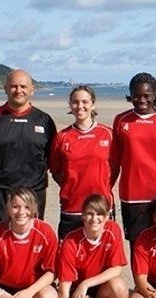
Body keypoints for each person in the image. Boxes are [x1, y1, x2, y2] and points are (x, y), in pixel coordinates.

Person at [111, 72, 156, 255]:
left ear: (154, 94)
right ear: (130, 95)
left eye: (146, 95)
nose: (141, 100)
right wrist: (106, 188)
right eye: (137, 95)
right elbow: (115, 161)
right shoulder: (121, 121)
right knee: (138, 245)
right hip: (132, 195)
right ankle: (141, 284)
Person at [56, 194, 129, 298]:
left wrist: (87, 283)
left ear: (107, 216)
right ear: (82, 215)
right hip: (80, 292)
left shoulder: (113, 230)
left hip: (100, 287)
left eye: (100, 214)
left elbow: (117, 269)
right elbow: (63, 287)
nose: (94, 219)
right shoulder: (71, 242)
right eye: (89, 213)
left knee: (120, 287)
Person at [0, 187, 58, 298]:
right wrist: (0, 293)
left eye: (27, 207)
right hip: (3, 290)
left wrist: (30, 292)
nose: (21, 212)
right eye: (15, 206)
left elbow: (52, 272)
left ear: (34, 208)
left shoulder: (45, 231)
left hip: (32, 290)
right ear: (8, 208)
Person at [50, 85, 115, 239]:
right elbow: (55, 171)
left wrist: (102, 185)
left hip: (101, 207)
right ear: (70, 105)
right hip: (72, 207)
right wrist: (71, 187)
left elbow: (115, 167)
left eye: (85, 102)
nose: (80, 106)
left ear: (93, 104)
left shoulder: (107, 134)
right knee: (70, 254)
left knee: (101, 257)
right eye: (75, 102)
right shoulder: (62, 137)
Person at [0, 69, 57, 223]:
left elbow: (52, 158)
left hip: (34, 192)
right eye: (14, 86)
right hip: (0, 192)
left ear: (32, 90)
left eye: (23, 86)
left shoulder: (44, 120)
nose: (18, 90)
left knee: (30, 239)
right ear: (6, 88)